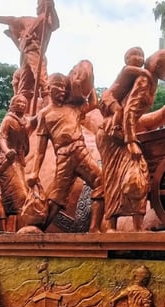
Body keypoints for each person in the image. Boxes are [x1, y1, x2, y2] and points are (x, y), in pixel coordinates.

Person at [97, 49, 165, 231]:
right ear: (159, 66)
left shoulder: (150, 80)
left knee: (133, 177)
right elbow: (129, 111)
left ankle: (136, 227)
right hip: (112, 134)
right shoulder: (144, 80)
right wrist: (131, 142)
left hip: (121, 132)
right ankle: (112, 226)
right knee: (119, 177)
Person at [27, 72, 104, 232]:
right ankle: (39, 228)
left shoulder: (73, 107)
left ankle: (94, 228)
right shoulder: (45, 115)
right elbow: (40, 148)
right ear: (49, 87)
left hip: (81, 152)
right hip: (64, 157)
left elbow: (93, 103)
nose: (62, 90)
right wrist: (34, 171)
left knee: (101, 182)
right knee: (57, 196)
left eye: (64, 87)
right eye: (58, 86)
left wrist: (88, 83)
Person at [0, 0, 59, 110]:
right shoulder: (25, 23)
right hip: (26, 56)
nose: (38, 7)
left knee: (42, 80)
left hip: (36, 53)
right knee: (24, 86)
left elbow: (55, 25)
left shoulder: (43, 19)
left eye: (40, 4)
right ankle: (21, 110)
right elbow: (13, 21)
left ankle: (48, 106)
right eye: (38, 4)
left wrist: (51, 8)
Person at [0, 95, 31, 231]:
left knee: (22, 195)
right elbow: (2, 137)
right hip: (7, 161)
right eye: (18, 102)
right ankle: (6, 227)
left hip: (19, 161)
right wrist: (6, 151)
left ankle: (13, 227)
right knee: (19, 195)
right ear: (12, 105)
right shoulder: (8, 120)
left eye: (24, 102)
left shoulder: (25, 121)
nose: (21, 104)